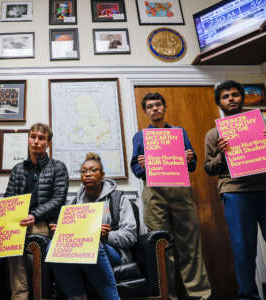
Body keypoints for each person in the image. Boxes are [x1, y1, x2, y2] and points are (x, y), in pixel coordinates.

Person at [131, 92, 211, 300]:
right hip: (154, 193)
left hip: (180, 191)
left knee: (190, 246)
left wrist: (189, 158)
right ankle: (169, 296)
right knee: (161, 246)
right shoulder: (140, 136)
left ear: (164, 108)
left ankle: (199, 295)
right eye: (150, 106)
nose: (155, 109)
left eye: (158, 105)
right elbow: (135, 167)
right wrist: (142, 167)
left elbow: (192, 165)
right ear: (145, 111)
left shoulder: (179, 132)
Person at [0, 122, 69, 300]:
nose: (36, 141)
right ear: (28, 139)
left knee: (15, 242)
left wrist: (34, 215)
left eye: (41, 138)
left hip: (41, 224)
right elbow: (8, 199)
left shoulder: (58, 167)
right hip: (16, 223)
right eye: (33, 137)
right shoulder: (18, 169)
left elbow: (58, 200)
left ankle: (20, 296)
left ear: (48, 143)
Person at [204, 80, 266, 300]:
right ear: (219, 103)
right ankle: (247, 296)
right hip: (235, 192)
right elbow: (209, 168)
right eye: (225, 96)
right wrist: (222, 154)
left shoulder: (262, 125)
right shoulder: (213, 135)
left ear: (242, 98)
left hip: (264, 188)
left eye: (234, 94)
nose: (231, 98)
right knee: (243, 248)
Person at [48, 152, 137, 300]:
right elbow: (69, 234)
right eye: (84, 171)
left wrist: (107, 235)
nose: (88, 174)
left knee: (91, 243)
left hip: (113, 252)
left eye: (93, 170)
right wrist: (60, 232)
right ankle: (78, 296)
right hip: (79, 252)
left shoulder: (119, 199)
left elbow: (130, 236)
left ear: (102, 174)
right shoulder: (74, 203)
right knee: (52, 245)